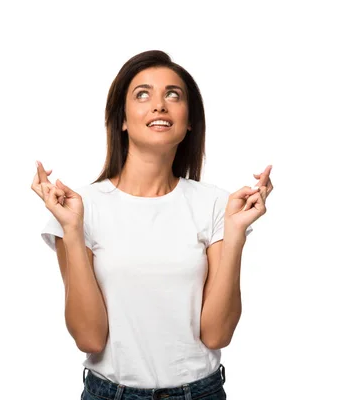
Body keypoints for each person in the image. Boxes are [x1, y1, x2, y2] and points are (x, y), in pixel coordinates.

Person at [31, 50, 274, 400]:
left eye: (173, 95)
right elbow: (89, 338)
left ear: (189, 120)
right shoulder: (80, 208)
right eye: (142, 94)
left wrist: (235, 235)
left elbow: (217, 335)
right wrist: (71, 230)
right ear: (122, 120)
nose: (159, 105)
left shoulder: (216, 205)